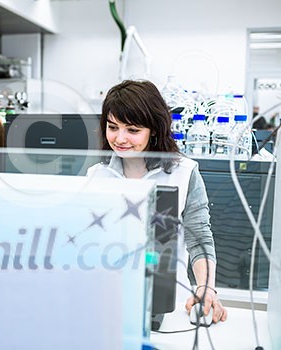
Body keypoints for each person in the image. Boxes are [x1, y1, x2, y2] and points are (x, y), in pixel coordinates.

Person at [87, 80, 227, 324]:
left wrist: (206, 288)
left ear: (154, 129)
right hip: (107, 298)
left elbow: (199, 238)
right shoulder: (97, 175)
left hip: (169, 302)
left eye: (132, 130)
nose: (120, 138)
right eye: (112, 127)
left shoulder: (184, 172)